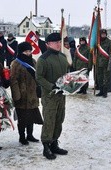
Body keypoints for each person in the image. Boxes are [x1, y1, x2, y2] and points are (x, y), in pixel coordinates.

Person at [36, 32, 69, 160]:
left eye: (59, 42)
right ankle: (46, 146)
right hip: (49, 96)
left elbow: (66, 74)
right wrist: (51, 86)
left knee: (59, 119)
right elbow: (39, 77)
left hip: (61, 95)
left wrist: (69, 83)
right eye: (55, 42)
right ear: (48, 44)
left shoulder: (62, 56)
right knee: (49, 120)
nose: (58, 44)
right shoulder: (43, 59)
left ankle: (54, 143)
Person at [10, 41, 43, 145]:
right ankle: (22, 137)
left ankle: (30, 135)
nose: (28, 53)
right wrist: (17, 96)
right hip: (22, 95)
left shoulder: (33, 61)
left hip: (32, 94)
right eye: (26, 51)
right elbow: (13, 81)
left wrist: (39, 88)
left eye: (29, 51)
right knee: (23, 118)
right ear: (20, 52)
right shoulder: (16, 63)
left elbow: (37, 75)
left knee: (31, 117)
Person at [96, 29, 111, 98]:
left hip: (106, 63)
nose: (103, 35)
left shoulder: (110, 42)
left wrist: (110, 63)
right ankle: (101, 91)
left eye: (104, 34)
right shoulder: (98, 42)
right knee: (99, 77)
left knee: (106, 78)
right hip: (98, 63)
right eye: (102, 34)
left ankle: (105, 92)